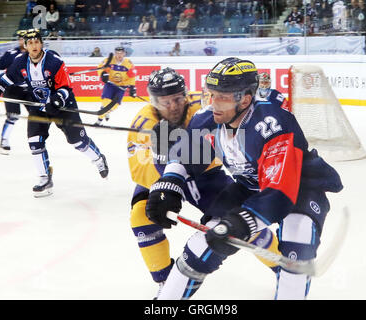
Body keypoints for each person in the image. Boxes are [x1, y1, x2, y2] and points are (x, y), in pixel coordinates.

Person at [145, 57, 343, 299]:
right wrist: (168, 184)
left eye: (222, 96)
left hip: (299, 187)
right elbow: (187, 155)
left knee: (297, 236)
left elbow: (280, 191)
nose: (213, 103)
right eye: (212, 94)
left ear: (245, 99)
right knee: (200, 247)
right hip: (251, 185)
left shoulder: (272, 124)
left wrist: (243, 222)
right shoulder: (209, 117)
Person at [127, 67, 281, 296]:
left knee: (241, 220)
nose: (172, 106)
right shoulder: (143, 123)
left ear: (185, 95)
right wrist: (166, 167)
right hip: (159, 179)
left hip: (205, 177)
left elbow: (232, 131)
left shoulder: (203, 109)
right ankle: (166, 281)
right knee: (140, 217)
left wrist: (188, 147)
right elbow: (138, 169)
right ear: (152, 100)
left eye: (177, 99)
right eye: (164, 101)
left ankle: (281, 265)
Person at [0, 29, 109, 198]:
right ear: (26, 46)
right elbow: (7, 78)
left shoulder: (54, 61)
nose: (34, 45)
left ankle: (98, 159)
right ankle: (44, 177)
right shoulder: (20, 61)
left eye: (37, 42)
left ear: (41, 43)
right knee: (35, 141)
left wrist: (56, 100)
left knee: (77, 141)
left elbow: (66, 88)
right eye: (30, 43)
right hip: (38, 105)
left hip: (63, 105)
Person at [0, 30, 27, 155]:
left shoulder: (37, 54)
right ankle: (4, 140)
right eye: (21, 38)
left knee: (38, 114)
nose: (23, 41)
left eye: (25, 38)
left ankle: (38, 140)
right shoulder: (11, 54)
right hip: (12, 90)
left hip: (29, 90)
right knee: (13, 115)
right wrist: (9, 78)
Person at [95, 46, 137, 125]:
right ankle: (99, 121)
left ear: (124, 54)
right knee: (105, 102)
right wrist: (103, 74)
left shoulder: (129, 63)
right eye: (117, 53)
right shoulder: (109, 60)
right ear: (115, 53)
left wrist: (132, 87)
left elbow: (132, 76)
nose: (119, 55)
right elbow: (100, 67)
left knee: (115, 105)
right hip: (110, 84)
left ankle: (106, 112)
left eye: (121, 53)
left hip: (121, 87)